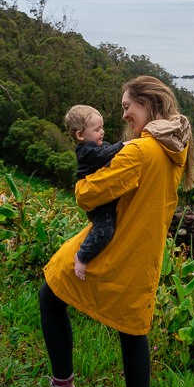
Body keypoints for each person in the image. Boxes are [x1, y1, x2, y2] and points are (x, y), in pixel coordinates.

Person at [16, 76, 194, 387]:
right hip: (143, 256)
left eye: (127, 106)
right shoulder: (174, 146)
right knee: (133, 333)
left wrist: (85, 180)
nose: (125, 114)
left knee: (50, 294)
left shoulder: (140, 151)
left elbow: (87, 194)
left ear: (148, 105)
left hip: (112, 249)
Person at [62, 104, 125, 280]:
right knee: (105, 230)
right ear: (80, 135)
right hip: (99, 205)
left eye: (102, 128)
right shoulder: (85, 151)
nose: (102, 132)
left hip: (105, 199)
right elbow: (104, 155)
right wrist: (123, 146)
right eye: (97, 129)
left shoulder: (96, 146)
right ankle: (82, 257)